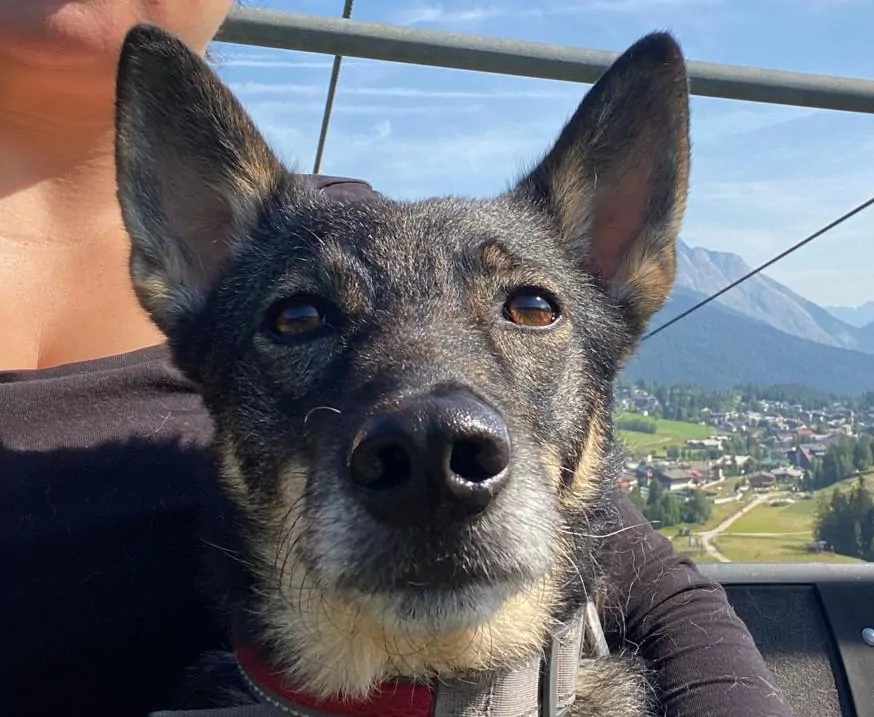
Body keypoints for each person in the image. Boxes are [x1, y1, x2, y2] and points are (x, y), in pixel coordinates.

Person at [0, 2, 795, 716]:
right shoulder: (259, 250)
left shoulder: (337, 218)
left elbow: (650, 579)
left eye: (529, 307)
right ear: (191, 262)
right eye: (302, 318)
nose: (434, 442)